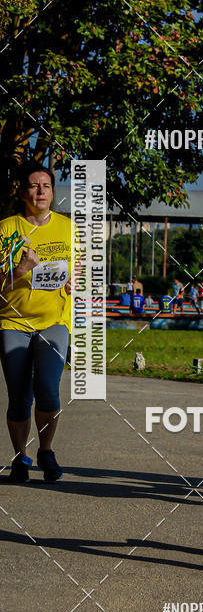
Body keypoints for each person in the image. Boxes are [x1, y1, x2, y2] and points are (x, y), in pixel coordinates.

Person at [0, 161, 74, 483]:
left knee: (48, 389)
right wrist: (20, 270)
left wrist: (76, 284)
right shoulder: (6, 229)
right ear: (22, 191)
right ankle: (20, 457)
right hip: (13, 323)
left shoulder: (68, 228)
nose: (41, 190)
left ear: (53, 192)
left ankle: (46, 450)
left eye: (46, 185)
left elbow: (81, 272)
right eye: (34, 185)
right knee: (18, 397)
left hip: (54, 321)